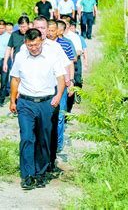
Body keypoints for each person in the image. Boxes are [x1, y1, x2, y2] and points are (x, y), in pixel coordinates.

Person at [9, 28, 66, 190]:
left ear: (41, 40)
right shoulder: (20, 57)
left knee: (43, 139)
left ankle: (40, 174)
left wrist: (58, 95)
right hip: (26, 102)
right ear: (25, 43)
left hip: (46, 103)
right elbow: (15, 79)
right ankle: (27, 175)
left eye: (35, 44)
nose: (33, 48)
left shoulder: (52, 56)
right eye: (29, 45)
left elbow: (61, 78)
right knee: (27, 137)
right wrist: (12, 100)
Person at [50, 21, 76, 153]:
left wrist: (71, 81)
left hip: (63, 83)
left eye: (53, 30)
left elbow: (71, 62)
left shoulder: (65, 44)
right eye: (49, 30)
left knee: (60, 114)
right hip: (48, 84)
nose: (50, 33)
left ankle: (58, 144)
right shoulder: (42, 45)